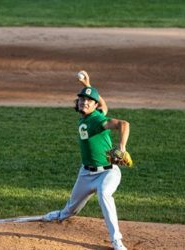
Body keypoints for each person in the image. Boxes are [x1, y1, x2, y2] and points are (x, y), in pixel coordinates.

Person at [42, 71, 130, 250]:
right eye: (82, 99)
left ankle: (116, 240)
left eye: (88, 100)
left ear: (93, 105)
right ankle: (61, 214)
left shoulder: (98, 120)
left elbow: (124, 124)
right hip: (86, 173)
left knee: (104, 194)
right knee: (69, 211)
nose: (84, 102)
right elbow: (103, 105)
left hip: (107, 171)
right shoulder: (91, 115)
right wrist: (87, 85)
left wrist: (122, 147)